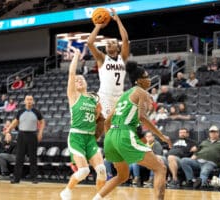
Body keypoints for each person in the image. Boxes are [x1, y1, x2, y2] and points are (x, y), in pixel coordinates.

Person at [92, 61, 172, 200]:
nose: (149, 79)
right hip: (124, 133)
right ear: (139, 80)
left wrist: (110, 137)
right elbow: (142, 117)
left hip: (111, 137)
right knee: (160, 168)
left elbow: (107, 121)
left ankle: (96, 198)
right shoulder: (141, 92)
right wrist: (162, 136)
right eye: (146, 76)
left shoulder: (123, 95)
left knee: (122, 176)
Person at [60, 48, 107, 200]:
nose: (78, 81)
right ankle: (67, 190)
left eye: (82, 79)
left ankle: (100, 197)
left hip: (90, 138)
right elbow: (72, 74)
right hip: (76, 137)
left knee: (101, 169)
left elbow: (99, 117)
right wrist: (76, 57)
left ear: (86, 82)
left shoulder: (94, 98)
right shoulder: (73, 96)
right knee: (83, 172)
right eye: (76, 81)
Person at [87, 8, 129, 118]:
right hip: (105, 96)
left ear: (118, 48)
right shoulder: (102, 58)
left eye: (113, 42)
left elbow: (125, 39)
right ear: (105, 49)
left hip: (120, 96)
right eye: (107, 43)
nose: (109, 43)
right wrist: (98, 26)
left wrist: (118, 20)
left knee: (119, 126)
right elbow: (90, 43)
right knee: (108, 123)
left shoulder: (122, 57)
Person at [5, 95, 45, 184]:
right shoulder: (20, 112)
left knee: (33, 158)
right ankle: (16, 178)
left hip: (32, 135)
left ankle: (34, 178)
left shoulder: (36, 112)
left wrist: (40, 132)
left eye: (31, 99)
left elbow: (42, 122)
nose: (29, 101)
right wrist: (9, 129)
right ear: (24, 101)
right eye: (27, 99)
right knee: (19, 158)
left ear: (33, 101)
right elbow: (15, 122)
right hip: (21, 135)